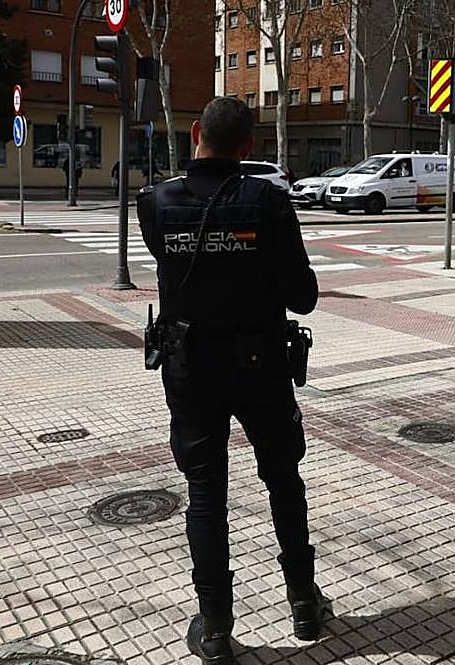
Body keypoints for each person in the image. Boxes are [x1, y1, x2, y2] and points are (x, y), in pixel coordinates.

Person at [136, 96, 330, 664]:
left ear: (195, 132)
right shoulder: (267, 201)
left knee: (205, 494)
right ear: (249, 150)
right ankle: (303, 603)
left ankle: (216, 626)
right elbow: (305, 297)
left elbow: (173, 269)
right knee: (283, 481)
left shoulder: (156, 202)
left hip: (191, 366)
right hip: (260, 365)